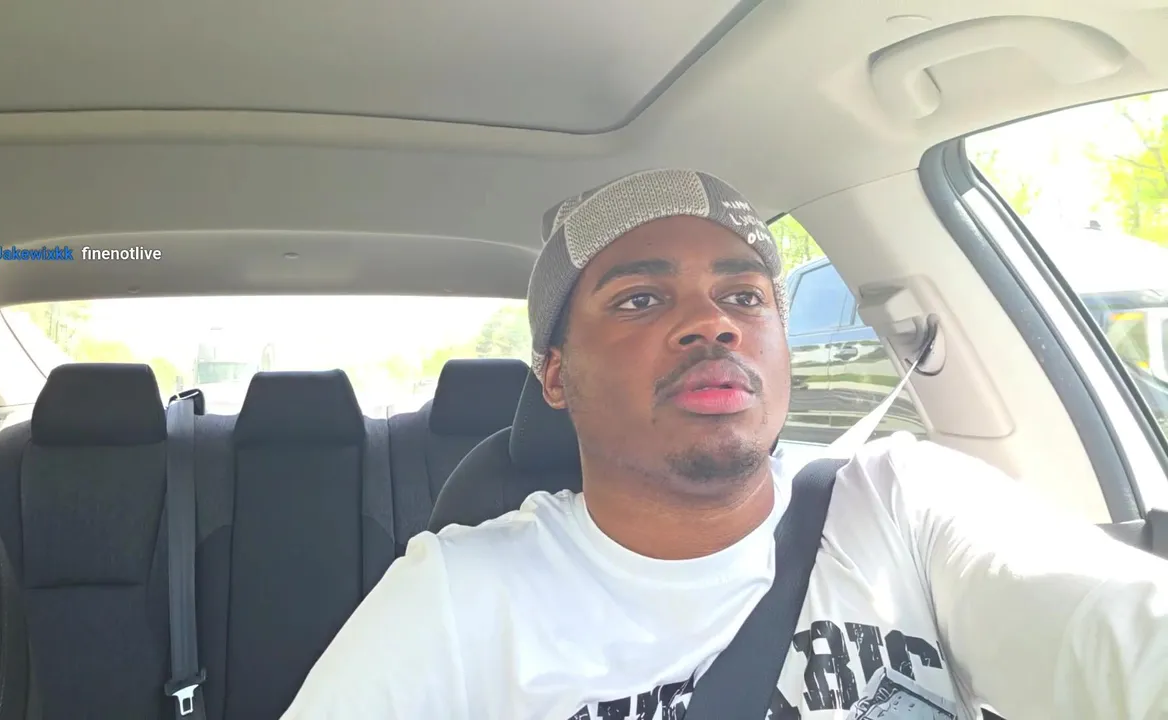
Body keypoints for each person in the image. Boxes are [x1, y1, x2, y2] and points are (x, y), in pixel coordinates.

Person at [281, 168, 1168, 719]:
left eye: (745, 297)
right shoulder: (457, 596)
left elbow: (1123, 634)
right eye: (640, 299)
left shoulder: (906, 503)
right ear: (554, 377)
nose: (713, 322)